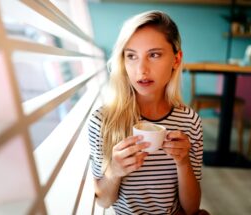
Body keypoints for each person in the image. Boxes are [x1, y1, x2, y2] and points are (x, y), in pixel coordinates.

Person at [88, 10, 206, 215]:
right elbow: (104, 201)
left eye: (154, 55)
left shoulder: (189, 121)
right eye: (131, 56)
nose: (141, 69)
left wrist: (183, 162)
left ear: (176, 60)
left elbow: (191, 207)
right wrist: (114, 171)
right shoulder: (103, 121)